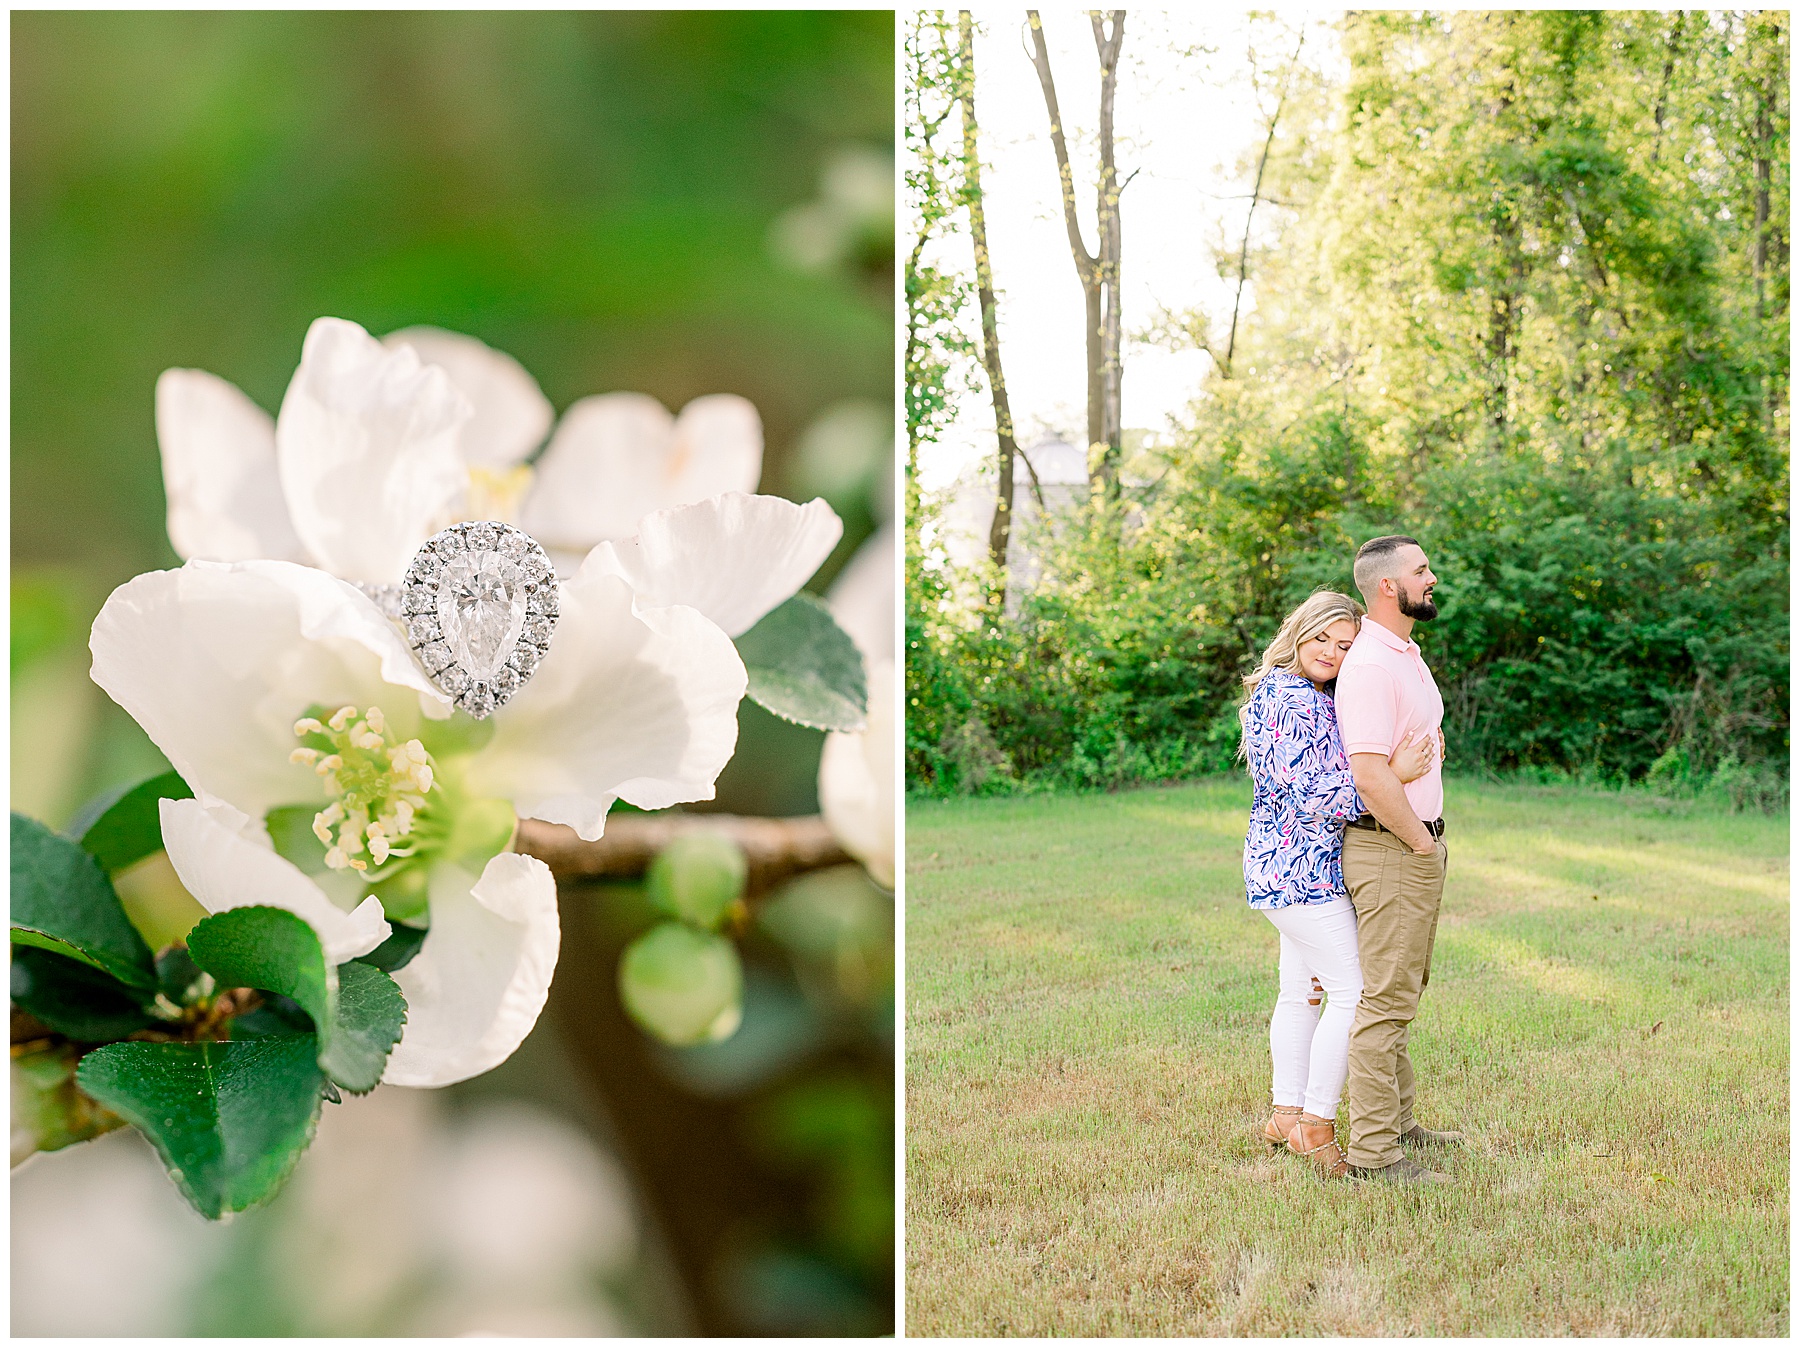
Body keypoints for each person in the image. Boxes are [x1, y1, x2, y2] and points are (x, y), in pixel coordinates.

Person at [1239, 590, 1435, 1179]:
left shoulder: (1295, 691)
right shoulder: (1292, 699)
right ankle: (1317, 1124)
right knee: (1353, 991)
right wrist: (1392, 774)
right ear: (1297, 633)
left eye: (1345, 645)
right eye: (1321, 637)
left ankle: (1285, 1115)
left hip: (1287, 866)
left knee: (1300, 991)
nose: (1331, 651)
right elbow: (1316, 794)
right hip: (1300, 871)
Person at [1335, 534, 1463, 1186]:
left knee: (1403, 992)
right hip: (1392, 849)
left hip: (1415, 844)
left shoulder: (1403, 652)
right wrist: (1418, 842)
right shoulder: (1369, 665)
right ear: (1389, 586)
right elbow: (1368, 774)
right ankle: (1374, 1154)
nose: (1431, 577)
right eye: (1422, 569)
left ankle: (1401, 1123)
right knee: (1384, 1002)